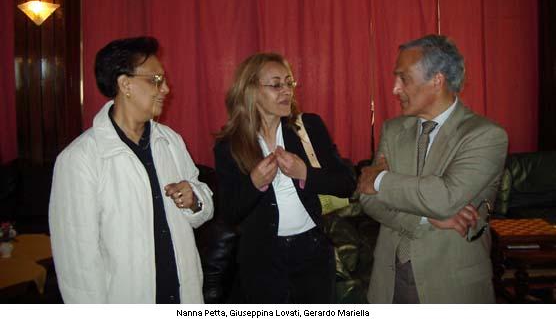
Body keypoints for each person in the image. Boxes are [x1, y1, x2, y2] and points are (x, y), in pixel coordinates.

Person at [49, 36, 214, 303]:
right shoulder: (80, 159)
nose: (166, 89)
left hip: (182, 294)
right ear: (125, 84)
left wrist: (194, 199)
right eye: (156, 80)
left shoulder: (170, 141)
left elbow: (202, 210)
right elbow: (77, 267)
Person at [358, 34, 508, 303]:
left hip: (452, 284)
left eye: (404, 78)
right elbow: (367, 198)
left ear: (437, 80)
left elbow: (445, 198)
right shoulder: (392, 130)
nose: (394, 89)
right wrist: (424, 219)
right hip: (389, 281)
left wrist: (379, 180)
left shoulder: (485, 135)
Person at [214, 52, 355, 303]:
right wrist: (254, 184)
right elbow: (228, 213)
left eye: (289, 83)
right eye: (276, 84)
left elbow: (347, 184)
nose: (287, 91)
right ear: (251, 91)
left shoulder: (307, 127)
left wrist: (305, 174)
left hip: (313, 253)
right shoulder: (230, 145)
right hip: (262, 260)